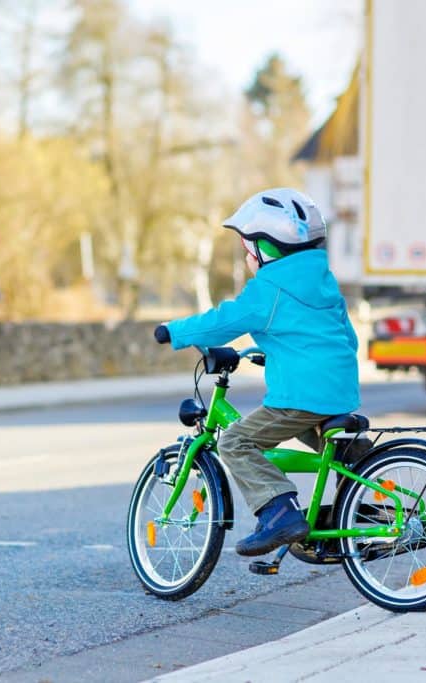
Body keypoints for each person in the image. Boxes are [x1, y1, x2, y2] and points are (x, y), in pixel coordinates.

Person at [154, 188, 360, 557]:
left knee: (236, 442)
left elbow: (224, 321)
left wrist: (175, 331)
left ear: (267, 248)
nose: (247, 255)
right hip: (339, 392)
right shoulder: (325, 284)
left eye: (248, 247)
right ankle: (360, 500)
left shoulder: (269, 289)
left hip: (301, 397)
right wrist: (280, 353)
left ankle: (280, 513)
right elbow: (344, 338)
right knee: (338, 453)